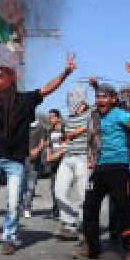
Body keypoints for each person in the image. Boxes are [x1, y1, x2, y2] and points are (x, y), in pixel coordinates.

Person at [0, 54, 77, 255]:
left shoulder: (26, 100)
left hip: (15, 161)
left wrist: (66, 72)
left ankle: (9, 238)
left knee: (14, 202)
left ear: (11, 80)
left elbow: (48, 88)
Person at [73, 83, 130, 260]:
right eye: (98, 97)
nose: (100, 100)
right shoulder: (94, 116)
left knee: (124, 208)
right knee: (89, 207)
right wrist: (69, 135)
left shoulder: (119, 114)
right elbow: (85, 129)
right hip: (99, 167)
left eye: (104, 97)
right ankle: (92, 247)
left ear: (113, 99)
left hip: (119, 167)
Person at [53, 87, 92, 240]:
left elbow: (87, 127)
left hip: (84, 157)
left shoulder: (91, 113)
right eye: (68, 97)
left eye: (72, 97)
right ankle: (69, 224)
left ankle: (84, 227)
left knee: (83, 195)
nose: (69, 100)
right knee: (59, 190)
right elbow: (64, 136)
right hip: (67, 157)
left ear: (81, 100)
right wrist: (63, 138)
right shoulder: (68, 117)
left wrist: (71, 134)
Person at [20, 119, 46, 218]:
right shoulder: (22, 126)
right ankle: (20, 207)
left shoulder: (40, 127)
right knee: (20, 186)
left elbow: (42, 143)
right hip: (21, 159)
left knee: (30, 187)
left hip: (34, 161)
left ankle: (27, 208)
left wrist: (37, 150)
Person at [45, 109, 66, 218]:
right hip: (53, 161)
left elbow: (67, 144)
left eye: (52, 117)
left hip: (63, 160)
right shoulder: (50, 131)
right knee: (53, 186)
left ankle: (63, 209)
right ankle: (56, 209)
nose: (51, 119)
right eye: (49, 117)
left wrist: (58, 154)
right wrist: (49, 156)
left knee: (62, 186)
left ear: (58, 117)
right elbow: (49, 145)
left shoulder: (65, 129)